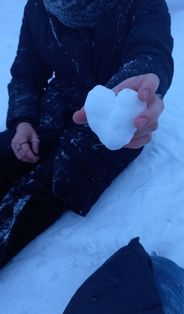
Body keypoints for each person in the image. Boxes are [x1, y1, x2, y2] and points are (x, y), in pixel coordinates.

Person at [0, 0, 174, 267]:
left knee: (44, 190)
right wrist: (22, 121)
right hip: (57, 104)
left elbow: (150, 49)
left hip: (111, 119)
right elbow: (27, 71)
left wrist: (139, 86)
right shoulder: (39, 6)